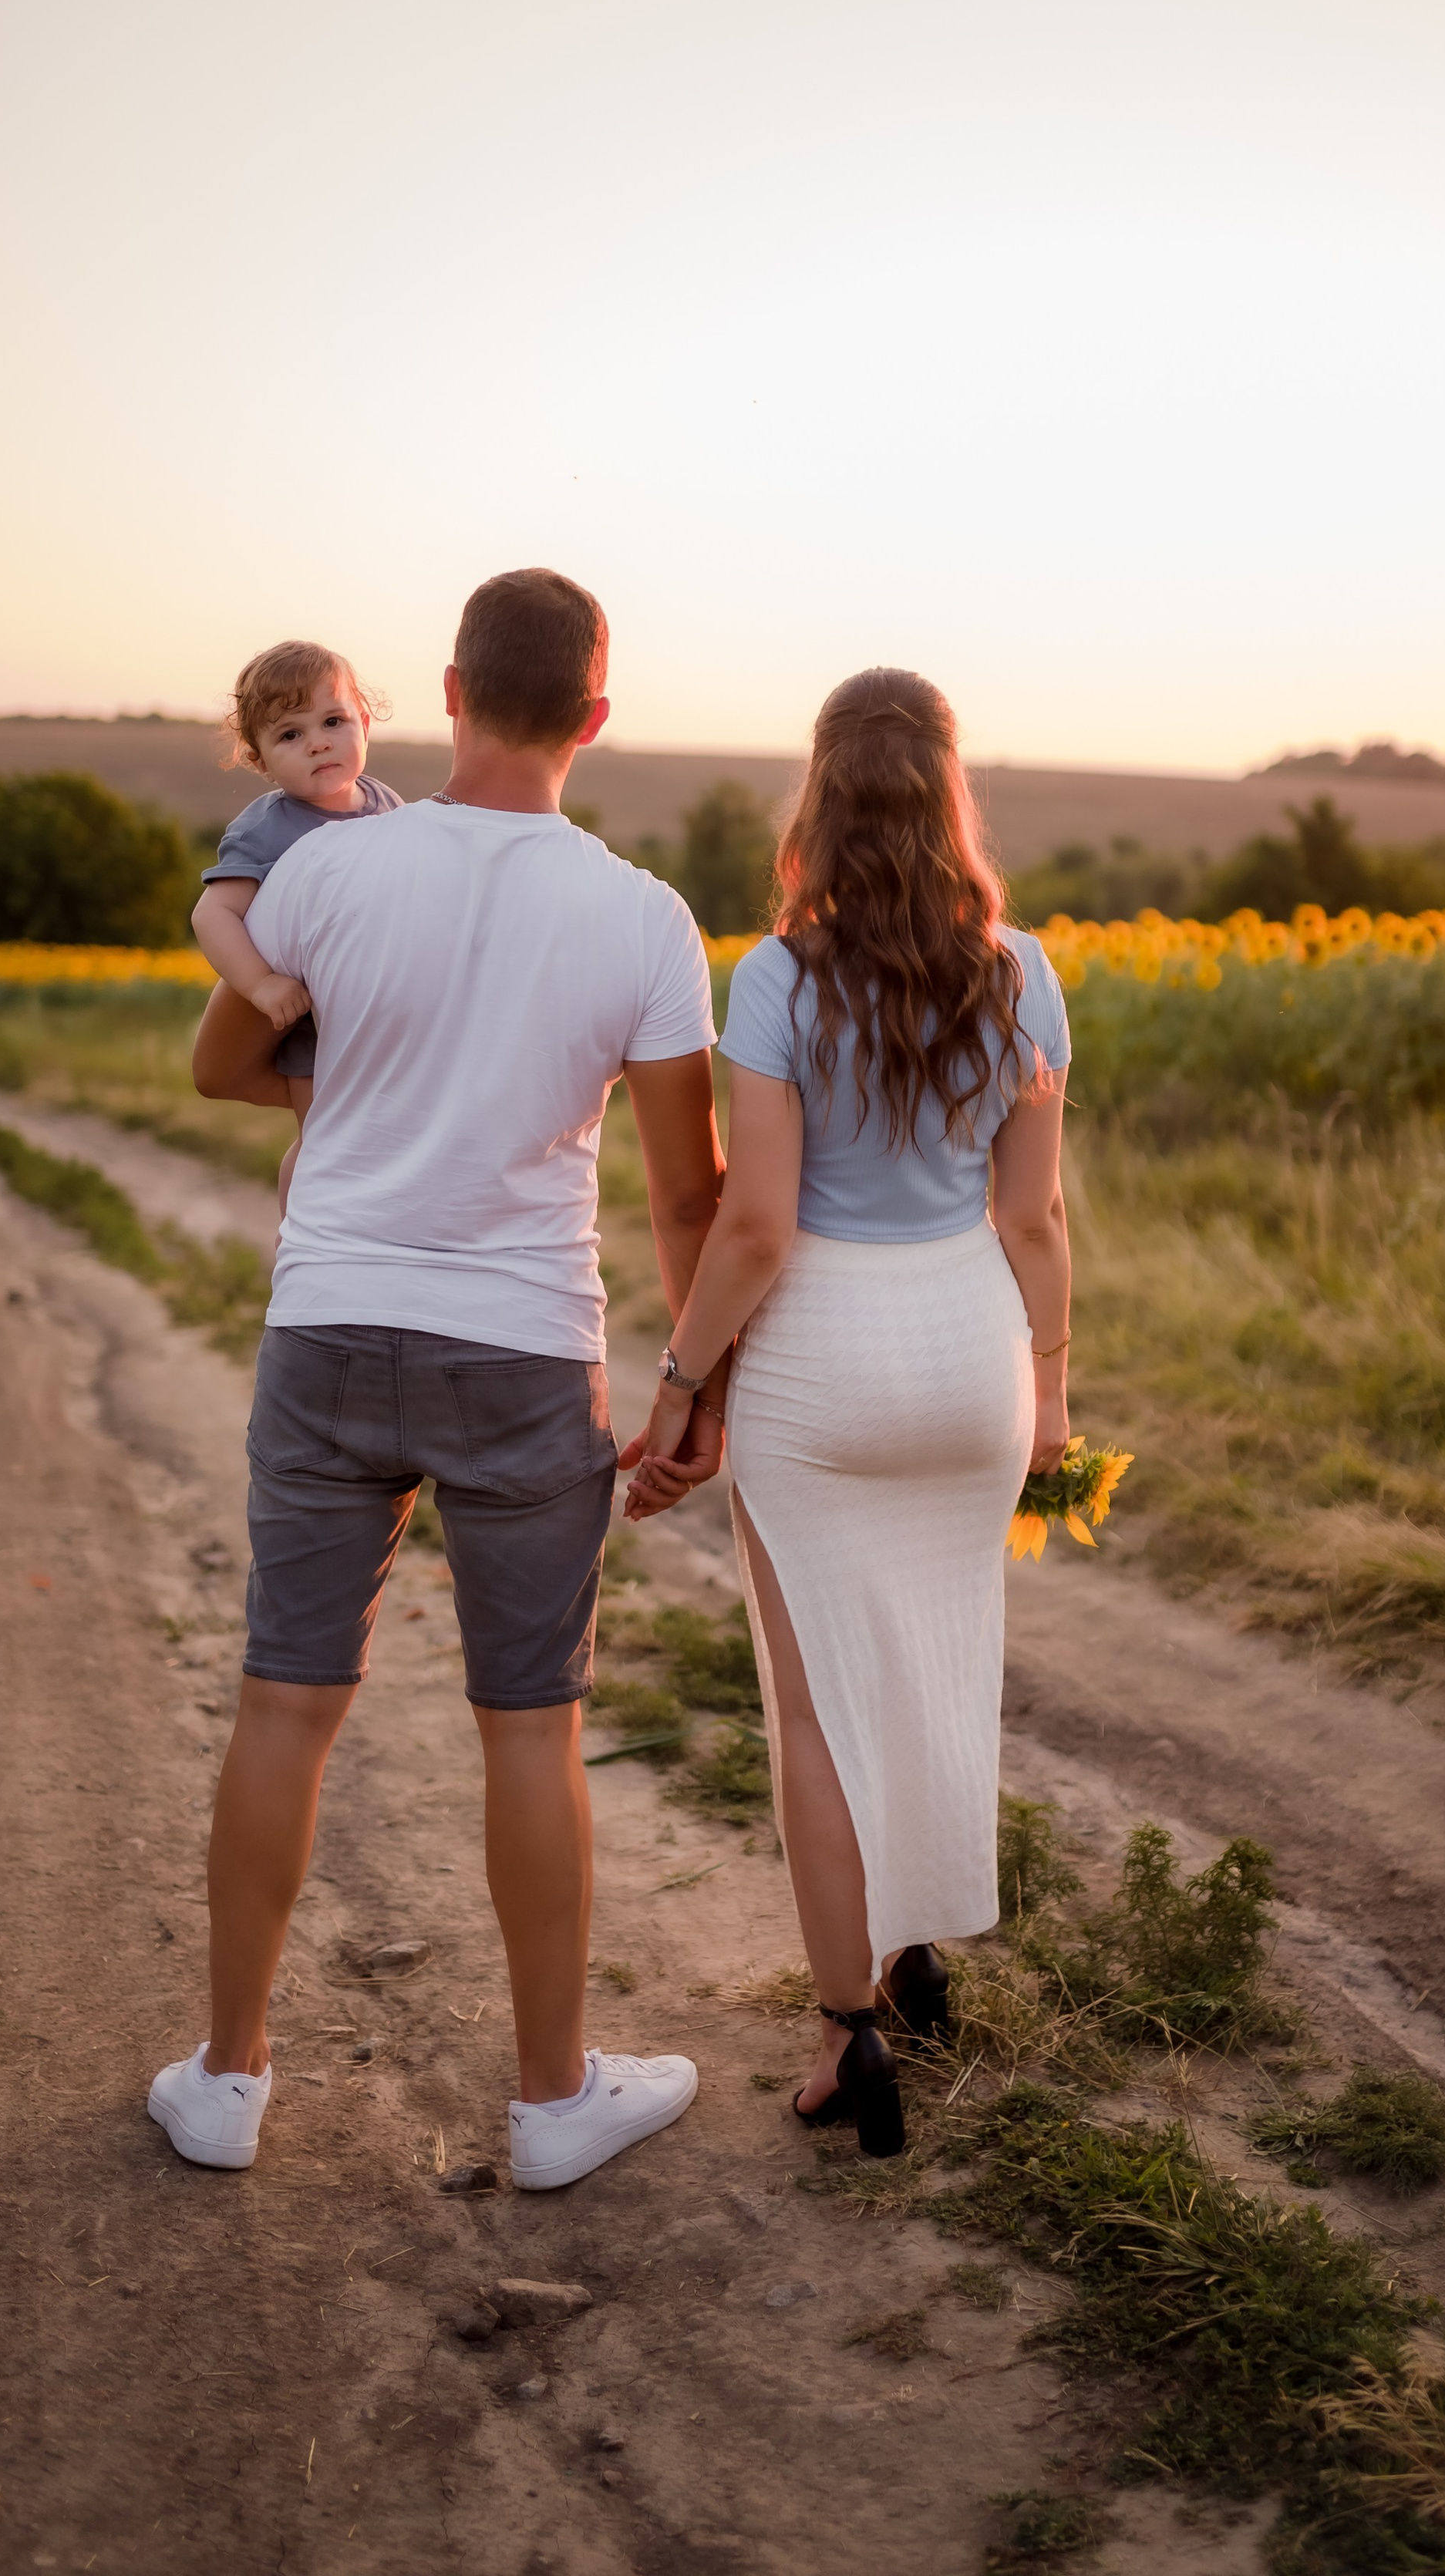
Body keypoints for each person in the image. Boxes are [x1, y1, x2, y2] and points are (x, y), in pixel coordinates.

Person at [151, 568, 726, 2186]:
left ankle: (227, 2082)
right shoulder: (641, 917)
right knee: (528, 1728)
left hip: (331, 1323)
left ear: (453, 692)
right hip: (527, 1352)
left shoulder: (330, 866)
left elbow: (219, 1063)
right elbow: (688, 1193)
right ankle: (551, 2104)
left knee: (286, 1697)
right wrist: (693, 1383)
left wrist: (368, 1111)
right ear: (595, 718)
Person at [623, 668, 1072, 2155]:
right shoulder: (1021, 971)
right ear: (950, 793)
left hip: (825, 1355)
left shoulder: (780, 976)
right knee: (942, 1657)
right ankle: (914, 1951)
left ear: (817, 797)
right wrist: (1051, 1397)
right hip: (968, 1350)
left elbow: (754, 1228)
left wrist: (684, 1386)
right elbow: (1037, 1219)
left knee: (814, 1705)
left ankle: (850, 2035)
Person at [189, 643, 403, 1218]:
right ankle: (301, 1236)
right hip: (309, 1019)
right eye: (289, 734)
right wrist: (261, 985)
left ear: (365, 721)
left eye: (333, 721)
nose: (317, 742)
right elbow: (213, 915)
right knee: (324, 1144)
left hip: (376, 1015)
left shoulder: (387, 806)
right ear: (258, 758)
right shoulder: (266, 829)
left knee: (384, 1144)